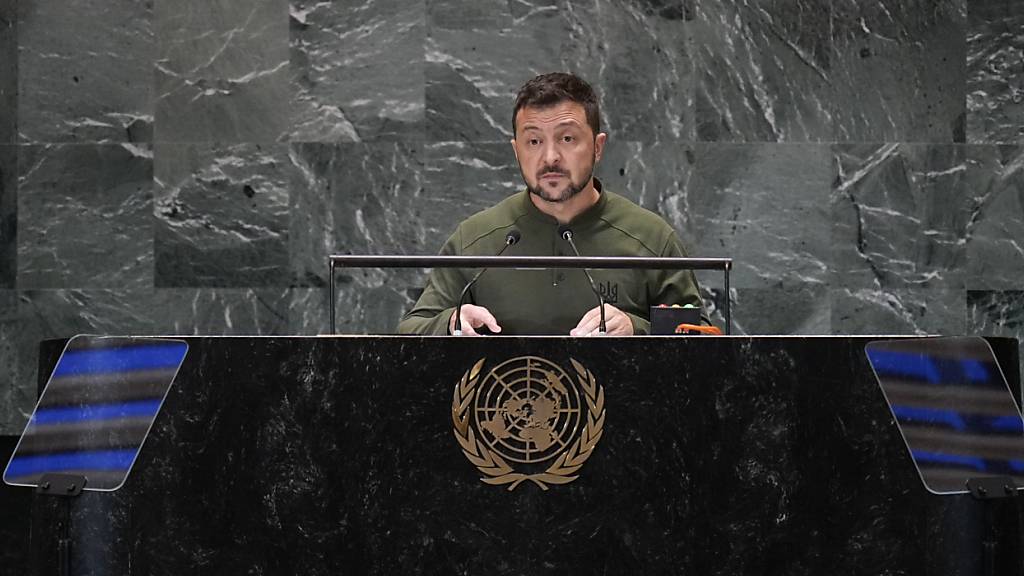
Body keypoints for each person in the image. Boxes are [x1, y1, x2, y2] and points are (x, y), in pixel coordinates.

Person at [397, 72, 707, 336]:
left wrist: (635, 328)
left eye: (567, 139)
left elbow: (704, 341)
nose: (550, 158)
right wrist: (452, 322)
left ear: (598, 147)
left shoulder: (651, 238)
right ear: (517, 150)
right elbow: (410, 330)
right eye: (534, 141)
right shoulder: (476, 239)